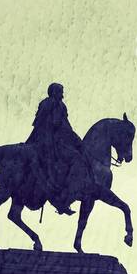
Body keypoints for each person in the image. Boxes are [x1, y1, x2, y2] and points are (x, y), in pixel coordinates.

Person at [26, 82, 80, 215]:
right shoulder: (49, 104)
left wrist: (75, 139)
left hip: (56, 138)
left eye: (62, 91)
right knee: (57, 159)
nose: (62, 94)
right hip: (47, 139)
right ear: (54, 92)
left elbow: (65, 125)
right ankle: (56, 192)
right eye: (61, 91)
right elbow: (45, 123)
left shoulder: (59, 105)